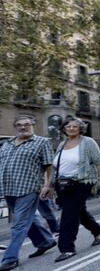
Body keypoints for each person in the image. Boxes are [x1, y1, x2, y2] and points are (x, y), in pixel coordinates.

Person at [0, 115, 56, 271]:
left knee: (18, 224)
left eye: (26, 124)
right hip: (8, 189)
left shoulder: (42, 142)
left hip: (28, 188)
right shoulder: (7, 144)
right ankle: (45, 241)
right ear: (15, 127)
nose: (23, 127)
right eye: (19, 125)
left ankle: (10, 258)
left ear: (33, 125)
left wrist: (48, 185)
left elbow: (49, 166)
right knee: (26, 220)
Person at [53, 117, 100, 263]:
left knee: (69, 215)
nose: (71, 128)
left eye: (75, 126)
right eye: (68, 126)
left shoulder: (88, 142)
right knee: (79, 212)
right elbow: (55, 167)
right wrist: (50, 185)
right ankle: (98, 230)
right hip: (63, 184)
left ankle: (67, 248)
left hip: (81, 182)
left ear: (80, 128)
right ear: (64, 128)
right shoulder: (61, 145)